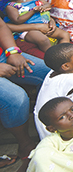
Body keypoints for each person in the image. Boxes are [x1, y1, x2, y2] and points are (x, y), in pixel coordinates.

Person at [0, 16, 50, 171]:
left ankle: (52, 130)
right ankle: (25, 144)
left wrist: (12, 52)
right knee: (16, 98)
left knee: (51, 74)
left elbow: (2, 26)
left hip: (3, 55)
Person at [4, 0, 70, 52]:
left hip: (45, 24)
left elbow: (48, 5)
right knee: (43, 40)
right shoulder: (11, 6)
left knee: (65, 34)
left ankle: (64, 53)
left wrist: (44, 7)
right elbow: (17, 20)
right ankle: (52, 57)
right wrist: (33, 11)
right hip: (29, 30)